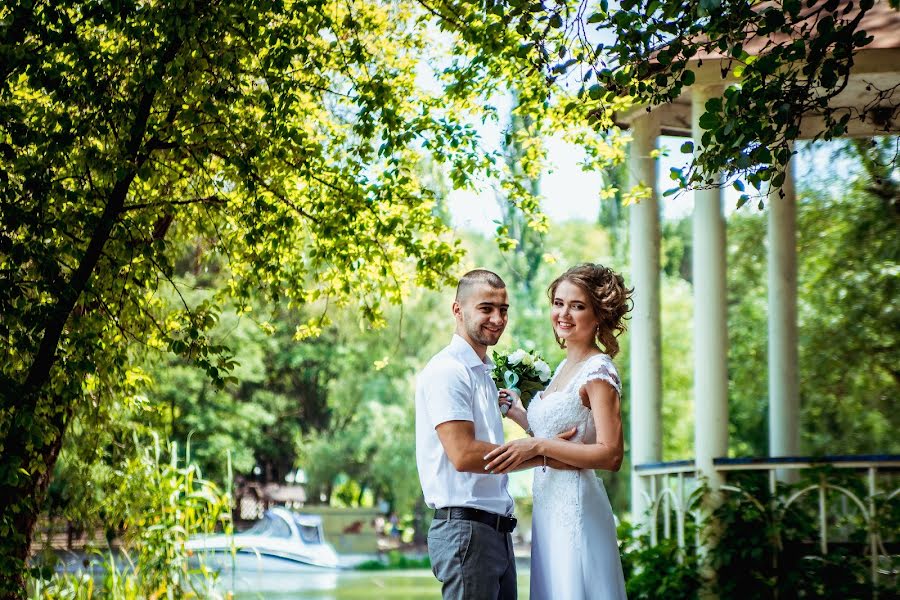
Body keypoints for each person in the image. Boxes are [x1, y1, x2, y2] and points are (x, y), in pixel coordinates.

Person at [415, 269, 574, 600]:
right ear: (458, 310)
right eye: (486, 308)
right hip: (466, 531)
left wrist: (518, 414)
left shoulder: (483, 373)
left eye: (503, 309)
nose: (498, 318)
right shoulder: (449, 371)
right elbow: (464, 454)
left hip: (495, 530)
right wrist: (542, 452)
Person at [486, 263, 632, 600]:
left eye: (577, 306)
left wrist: (537, 445)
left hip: (576, 505)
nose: (563, 313)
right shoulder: (566, 366)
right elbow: (565, 433)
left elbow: (610, 454)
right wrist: (521, 415)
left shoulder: (598, 372)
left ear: (598, 315)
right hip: (549, 504)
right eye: (558, 302)